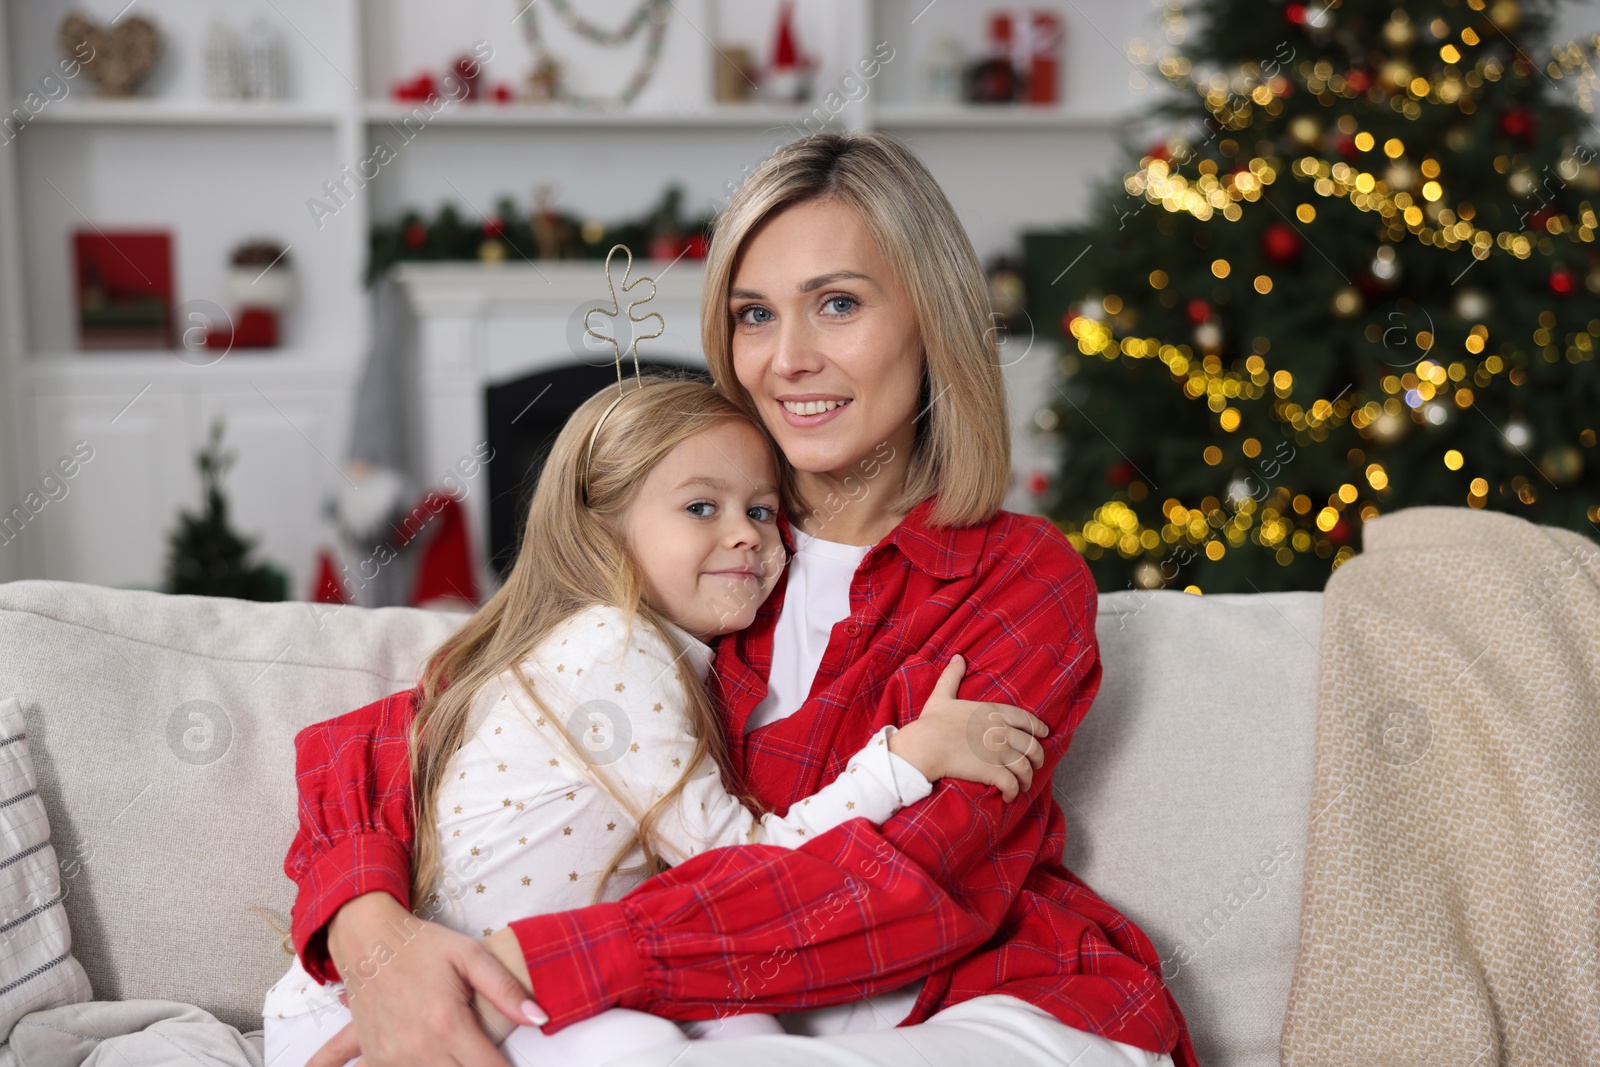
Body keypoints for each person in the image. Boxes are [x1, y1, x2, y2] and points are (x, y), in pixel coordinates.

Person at [288, 130, 1198, 1067]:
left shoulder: (1016, 580)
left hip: (977, 1001)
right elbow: (405, 737)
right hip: (712, 1019)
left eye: (837, 304)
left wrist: (548, 957)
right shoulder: (700, 557)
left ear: (934, 317)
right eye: (754, 315)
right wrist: (374, 934)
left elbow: (903, 887)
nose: (787, 358)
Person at [263, 377, 1048, 1067]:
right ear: (602, 527)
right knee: (639, 1048)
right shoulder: (615, 646)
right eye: (701, 506)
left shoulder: (646, 654)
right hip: (383, 1009)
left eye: (763, 509)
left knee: (749, 1028)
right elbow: (746, 865)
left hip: (500, 982)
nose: (747, 533)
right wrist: (905, 759)